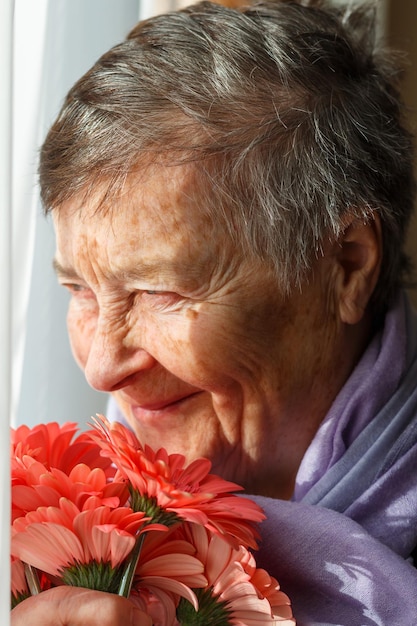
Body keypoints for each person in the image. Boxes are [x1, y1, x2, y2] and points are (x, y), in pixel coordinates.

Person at [11, 0, 417, 624]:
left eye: (159, 293)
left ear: (348, 264)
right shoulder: (57, 539)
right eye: (80, 290)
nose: (101, 369)